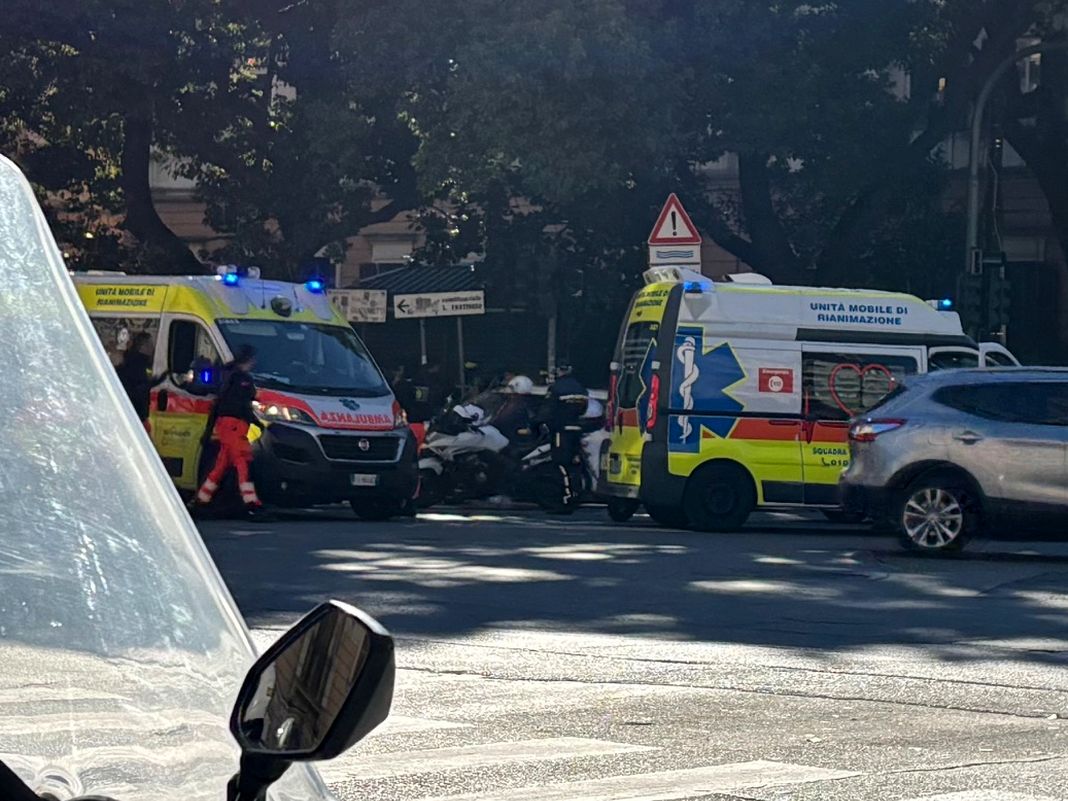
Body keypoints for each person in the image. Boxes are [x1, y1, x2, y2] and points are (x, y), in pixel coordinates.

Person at [192, 345, 263, 514]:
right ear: (249, 361)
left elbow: (219, 403)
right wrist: (258, 424)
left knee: (221, 464)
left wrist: (209, 431)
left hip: (226, 425)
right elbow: (244, 404)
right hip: (235, 426)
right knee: (242, 462)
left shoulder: (228, 376)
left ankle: (202, 499)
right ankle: (251, 503)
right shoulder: (243, 380)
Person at [115, 332, 155, 433]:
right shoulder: (137, 364)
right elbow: (136, 391)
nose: (152, 348)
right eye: (149, 345)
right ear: (142, 346)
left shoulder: (135, 362)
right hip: (135, 416)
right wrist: (153, 383)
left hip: (134, 416)